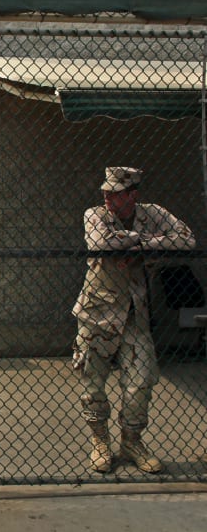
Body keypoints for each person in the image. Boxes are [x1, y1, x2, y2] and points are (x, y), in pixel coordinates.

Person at [71, 167, 195, 473]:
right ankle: (100, 440)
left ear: (132, 195)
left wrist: (139, 247)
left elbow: (187, 240)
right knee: (93, 383)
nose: (107, 197)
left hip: (133, 314)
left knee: (141, 381)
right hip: (98, 312)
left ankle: (131, 440)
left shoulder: (153, 213)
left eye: (115, 193)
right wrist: (146, 241)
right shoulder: (95, 214)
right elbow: (101, 244)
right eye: (106, 192)